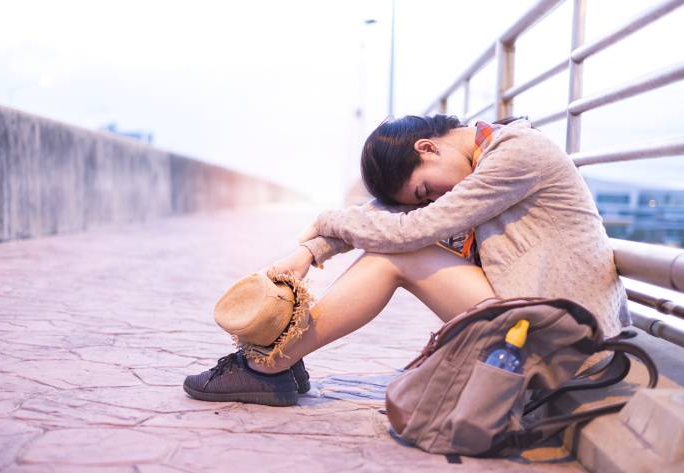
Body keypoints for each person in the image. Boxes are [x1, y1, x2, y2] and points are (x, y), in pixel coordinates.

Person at [183, 115, 630, 405]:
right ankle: (281, 357)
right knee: (395, 249)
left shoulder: (517, 152)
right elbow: (386, 217)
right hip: (538, 321)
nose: (436, 199)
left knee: (397, 256)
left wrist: (323, 221)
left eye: (426, 192)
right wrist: (309, 251)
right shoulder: (480, 158)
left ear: (427, 148)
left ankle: (267, 366)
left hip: (570, 338)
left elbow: (411, 230)